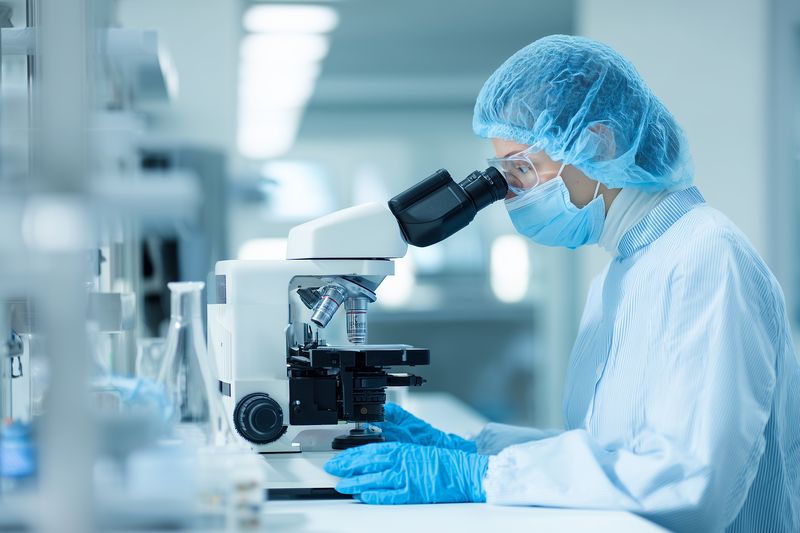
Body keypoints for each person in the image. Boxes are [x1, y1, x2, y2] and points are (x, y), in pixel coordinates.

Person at [324, 35, 800, 532]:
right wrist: (476, 450)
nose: (510, 196)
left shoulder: (706, 256)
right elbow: (614, 456)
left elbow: (689, 485)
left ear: (597, 143)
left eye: (522, 170)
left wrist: (483, 476)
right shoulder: (622, 272)